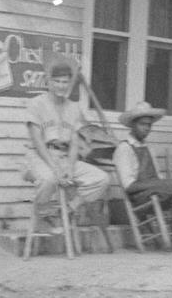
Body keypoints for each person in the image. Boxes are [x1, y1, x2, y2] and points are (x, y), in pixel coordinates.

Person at [24, 58, 110, 229]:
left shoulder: (74, 107)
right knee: (49, 179)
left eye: (65, 82)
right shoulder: (36, 104)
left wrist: (70, 168)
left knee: (101, 179)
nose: (61, 86)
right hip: (39, 157)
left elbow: (75, 144)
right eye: (57, 81)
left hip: (64, 158)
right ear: (48, 81)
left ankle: (67, 210)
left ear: (70, 83)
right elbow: (38, 141)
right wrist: (56, 169)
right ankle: (42, 215)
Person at [112, 102, 172, 256]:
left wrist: (167, 184)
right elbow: (129, 186)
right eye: (142, 124)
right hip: (139, 197)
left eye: (149, 125)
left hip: (155, 191)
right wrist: (168, 183)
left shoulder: (149, 148)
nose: (146, 128)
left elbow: (158, 178)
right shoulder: (124, 148)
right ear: (133, 125)